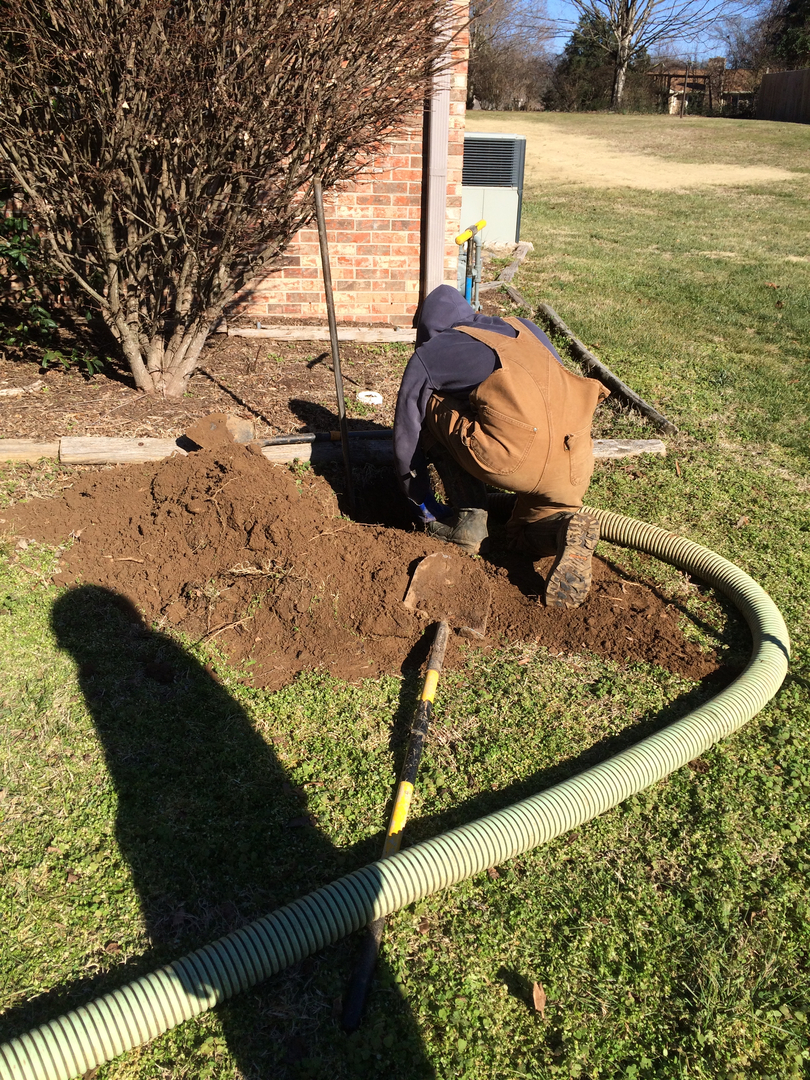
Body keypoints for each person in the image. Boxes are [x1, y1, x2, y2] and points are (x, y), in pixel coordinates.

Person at [393, 285, 609, 609]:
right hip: (574, 455)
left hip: (513, 457)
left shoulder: (436, 350)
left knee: (429, 402)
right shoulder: (526, 328)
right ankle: (564, 528)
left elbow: (406, 433)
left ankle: (468, 522)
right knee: (520, 535)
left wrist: (419, 498)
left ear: (428, 328)